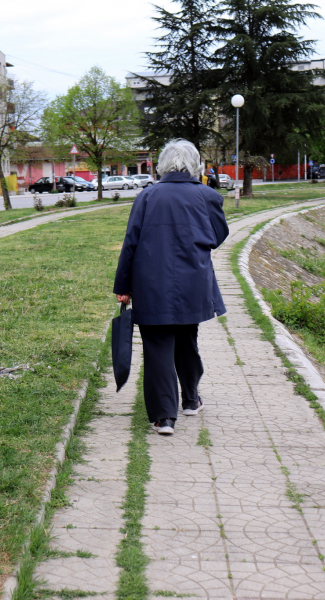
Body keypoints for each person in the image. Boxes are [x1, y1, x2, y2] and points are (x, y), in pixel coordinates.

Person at [113, 139, 229, 435]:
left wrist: (122, 285)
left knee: (157, 347)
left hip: (151, 285)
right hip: (193, 282)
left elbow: (131, 243)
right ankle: (190, 401)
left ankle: (164, 417)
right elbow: (217, 235)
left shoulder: (147, 196)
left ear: (162, 165)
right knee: (187, 340)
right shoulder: (208, 196)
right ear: (195, 165)